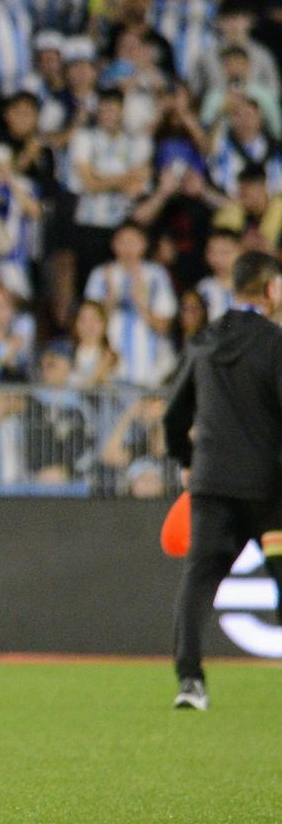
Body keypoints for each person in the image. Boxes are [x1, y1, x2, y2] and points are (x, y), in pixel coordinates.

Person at [163, 251, 282, 712]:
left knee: (199, 580)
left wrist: (185, 459)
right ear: (269, 288)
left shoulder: (203, 342)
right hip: (269, 491)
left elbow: (175, 414)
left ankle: (190, 682)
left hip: (212, 486)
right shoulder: (275, 343)